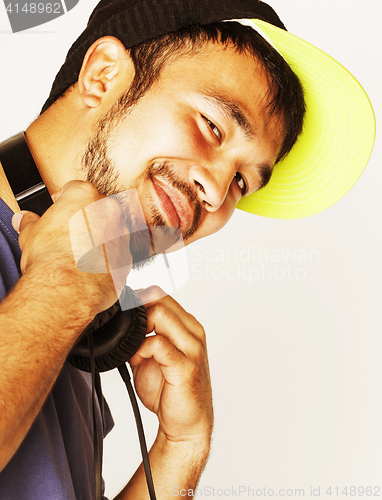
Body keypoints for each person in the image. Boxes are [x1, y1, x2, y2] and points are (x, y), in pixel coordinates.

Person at [0, 0, 375, 499]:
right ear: (103, 75)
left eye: (242, 181)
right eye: (213, 126)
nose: (218, 194)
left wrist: (180, 449)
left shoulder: (73, 320)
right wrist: (63, 288)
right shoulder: (61, 296)